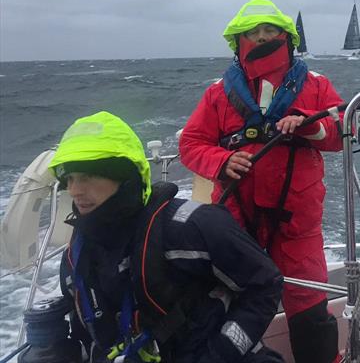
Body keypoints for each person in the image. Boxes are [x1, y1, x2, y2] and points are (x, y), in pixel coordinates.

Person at [180, 0, 345, 363]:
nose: (261, 39)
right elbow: (190, 144)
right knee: (232, 308)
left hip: (297, 225)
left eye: (269, 31)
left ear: (288, 37)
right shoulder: (218, 93)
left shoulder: (316, 86)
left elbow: (343, 132)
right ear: (238, 43)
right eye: (252, 34)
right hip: (237, 223)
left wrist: (312, 126)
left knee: (309, 307)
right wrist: (222, 160)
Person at [51, 111, 284, 363]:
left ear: (124, 175)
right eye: (69, 179)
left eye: (86, 177)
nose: (74, 190)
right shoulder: (77, 256)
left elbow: (265, 284)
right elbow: (85, 328)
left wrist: (220, 354)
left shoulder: (193, 226)